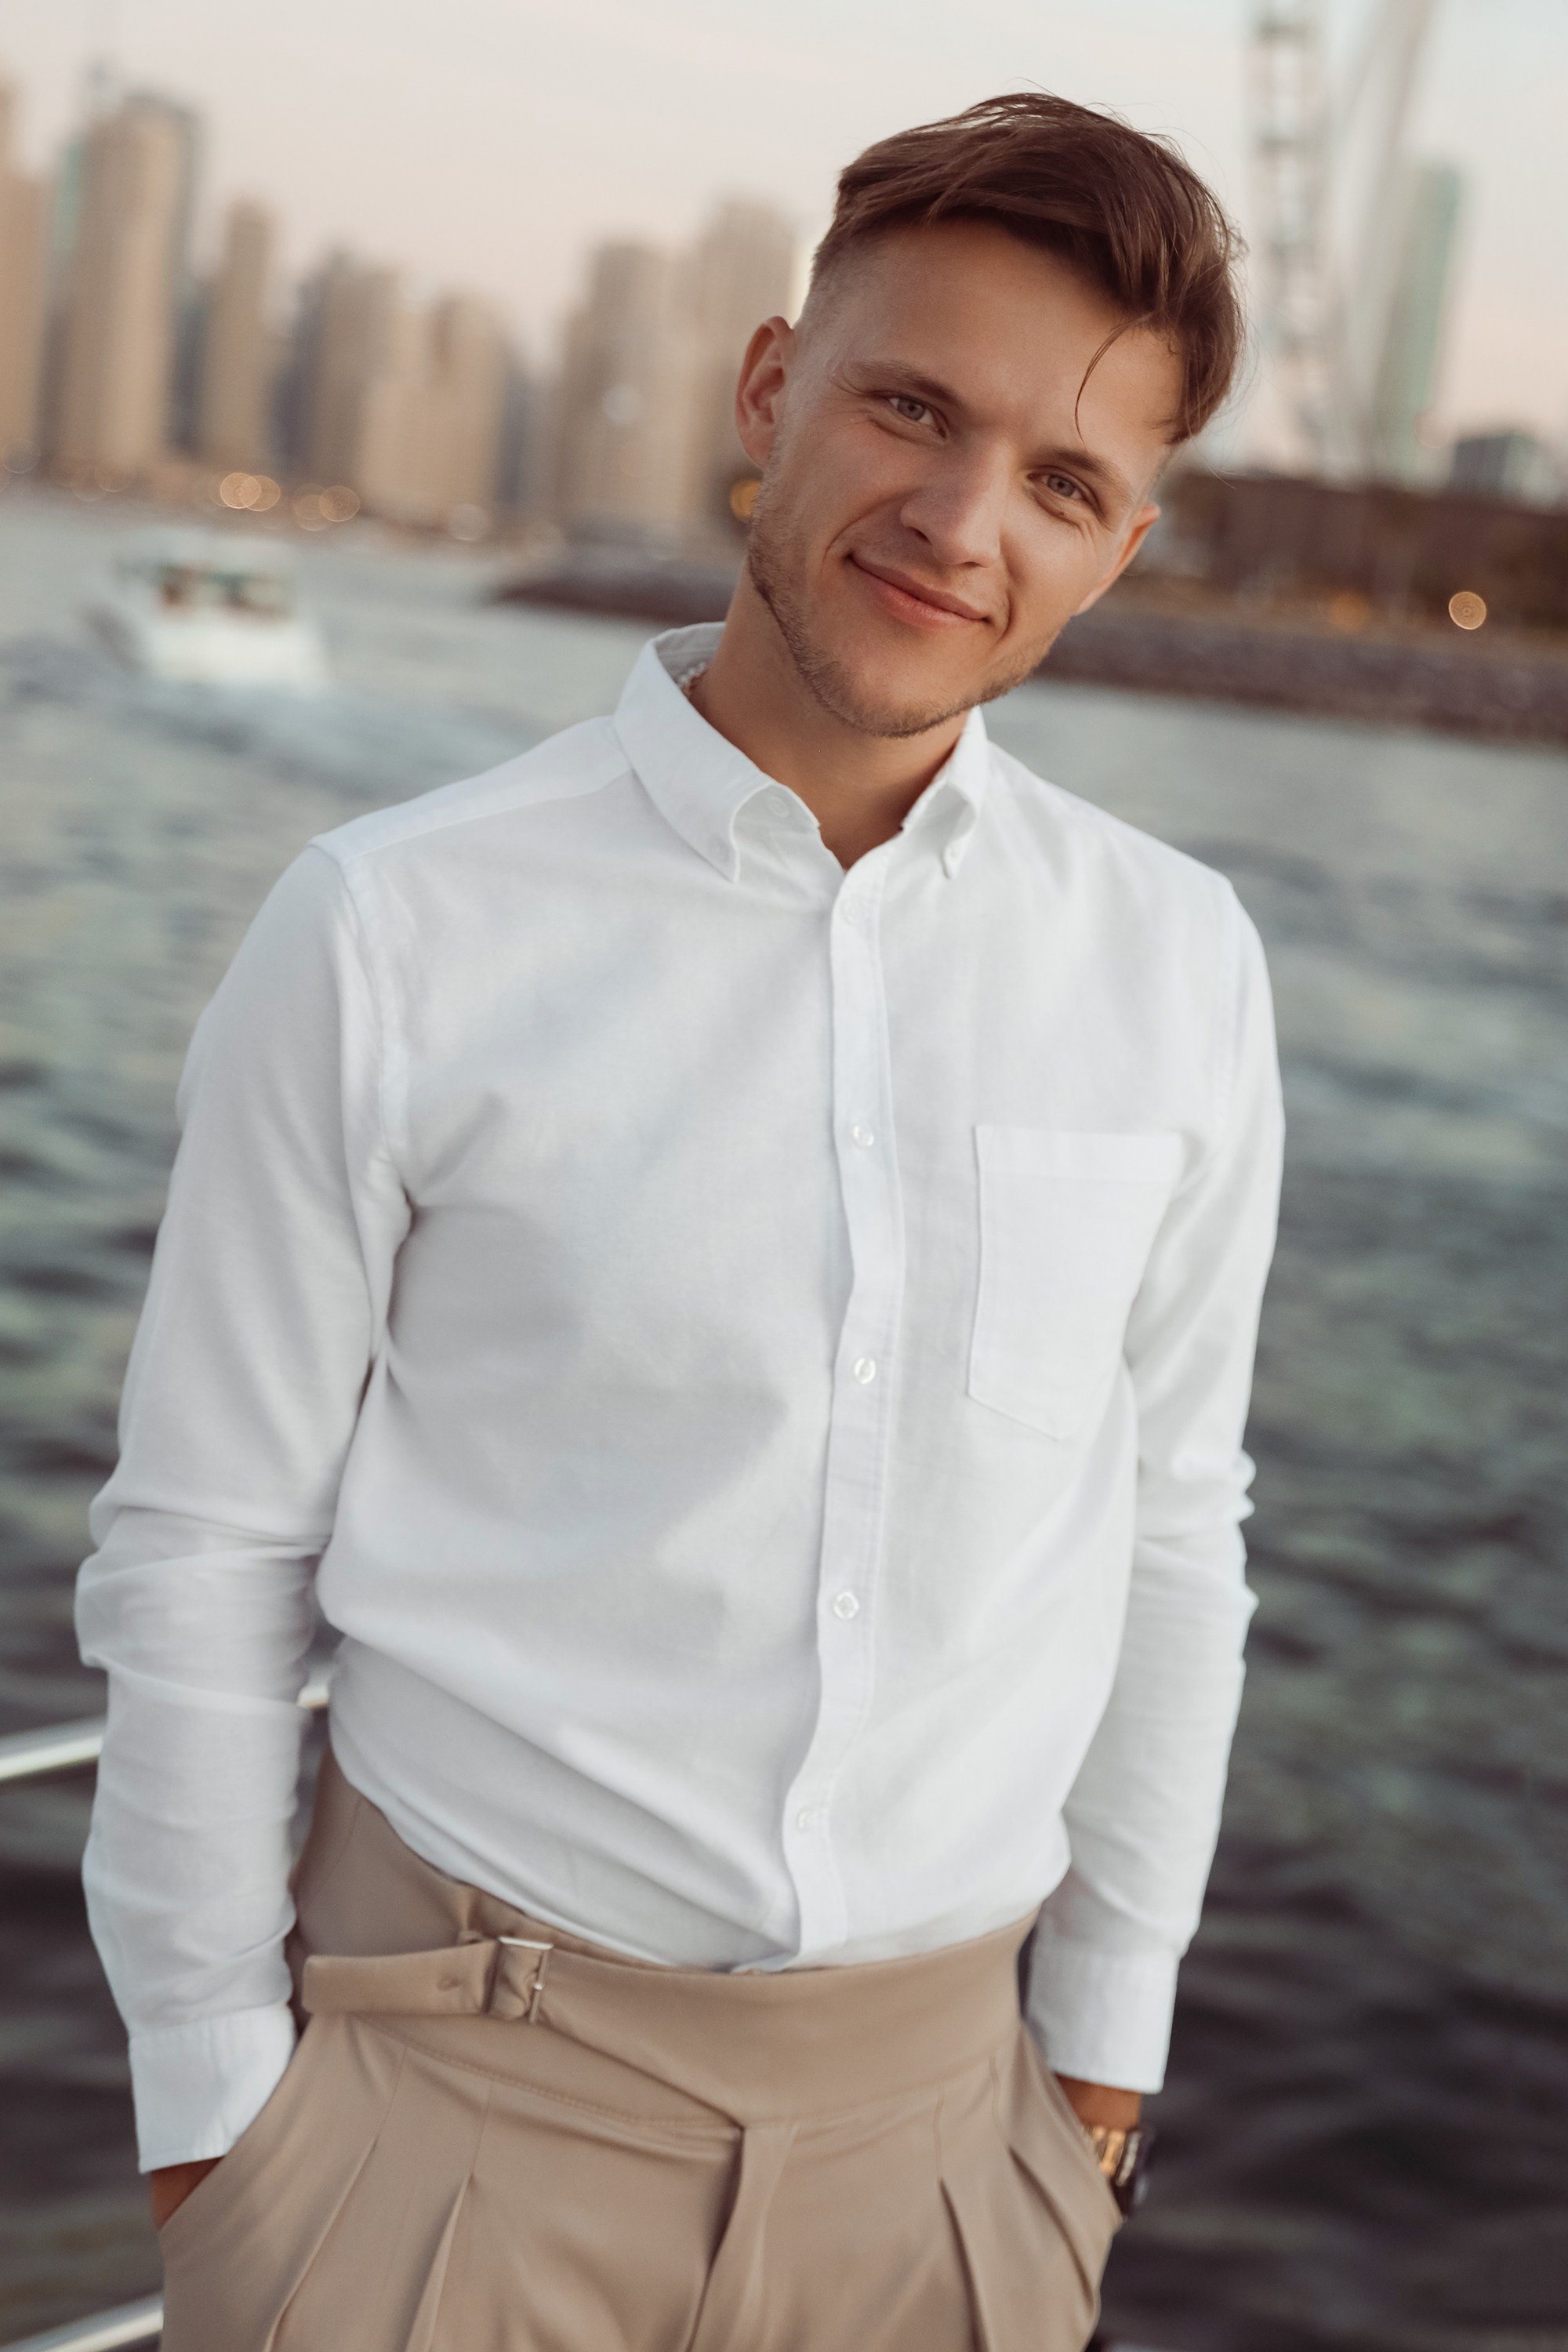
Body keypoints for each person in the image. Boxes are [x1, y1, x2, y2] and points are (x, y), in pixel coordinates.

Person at [77, 90, 1282, 2351]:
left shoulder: (1181, 969)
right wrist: (221, 2137)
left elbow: (1177, 1534)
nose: (956, 520)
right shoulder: (392, 930)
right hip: (432, 2150)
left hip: (956, 2173)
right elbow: (204, 1555)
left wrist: (1096, 2094)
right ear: (769, 392)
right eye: (908, 406)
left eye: (1062, 481)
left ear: (1123, 544)